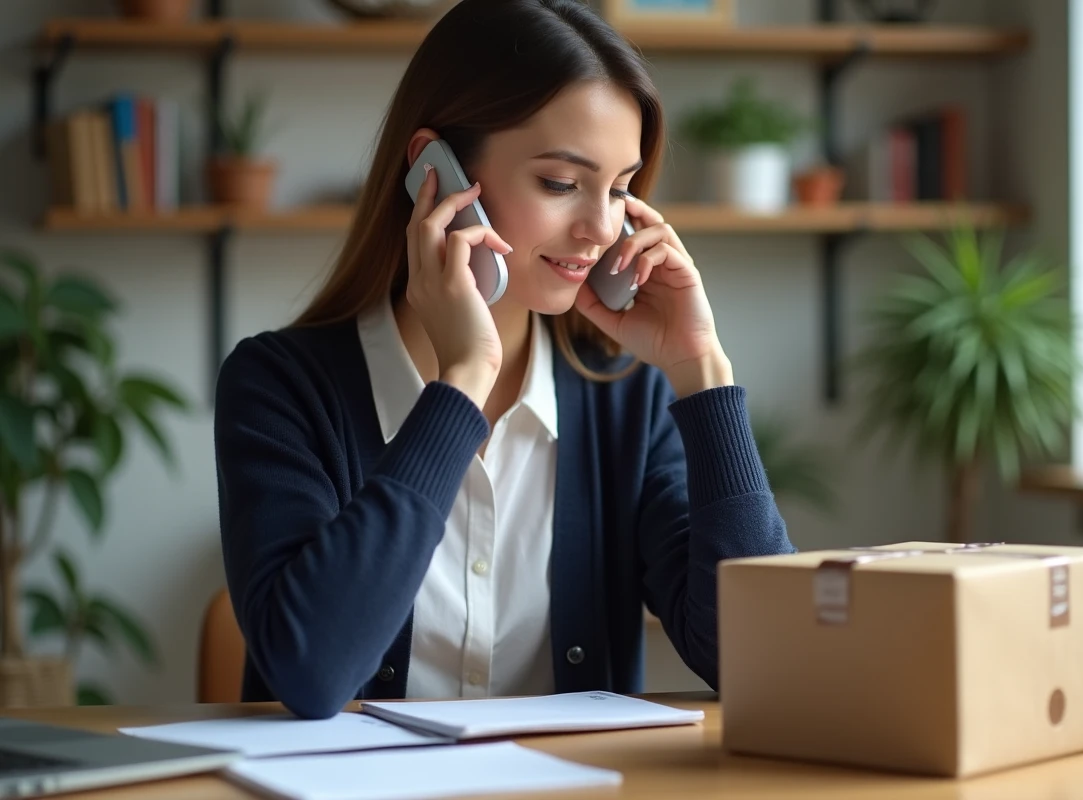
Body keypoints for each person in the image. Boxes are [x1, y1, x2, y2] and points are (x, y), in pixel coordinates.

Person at [214, 0, 794, 720]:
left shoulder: (623, 398)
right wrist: (461, 385)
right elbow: (310, 672)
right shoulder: (278, 387)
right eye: (560, 183)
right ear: (437, 173)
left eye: (619, 188)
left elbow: (761, 661)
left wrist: (702, 372)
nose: (601, 227)